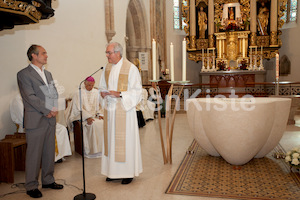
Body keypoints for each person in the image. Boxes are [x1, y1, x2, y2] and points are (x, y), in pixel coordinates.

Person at [17, 45, 63, 198]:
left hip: (49, 119)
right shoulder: (24, 74)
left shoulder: (48, 74)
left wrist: (54, 108)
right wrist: (47, 110)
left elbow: (53, 93)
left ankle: (48, 180)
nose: (46, 56)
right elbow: (30, 97)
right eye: (43, 53)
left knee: (49, 152)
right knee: (34, 154)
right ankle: (31, 186)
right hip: (36, 119)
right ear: (34, 55)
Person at [99, 42, 143, 184]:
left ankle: (127, 172)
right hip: (110, 110)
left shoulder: (130, 68)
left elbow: (137, 91)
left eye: (109, 53)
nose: (107, 55)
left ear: (118, 53)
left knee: (124, 142)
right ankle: (112, 172)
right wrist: (103, 94)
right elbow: (102, 87)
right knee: (111, 141)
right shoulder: (106, 68)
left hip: (124, 110)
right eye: (106, 53)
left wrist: (120, 94)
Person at [9, 93, 72, 162]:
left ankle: (58, 156)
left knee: (62, 128)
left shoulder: (33, 97)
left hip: (40, 122)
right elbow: (23, 118)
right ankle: (50, 158)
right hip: (28, 126)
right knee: (49, 130)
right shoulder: (18, 99)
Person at [66, 76, 103, 158]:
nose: (91, 87)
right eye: (89, 85)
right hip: (81, 117)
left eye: (92, 85)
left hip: (93, 116)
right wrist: (87, 117)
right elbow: (77, 108)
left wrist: (100, 114)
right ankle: (91, 150)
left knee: (102, 123)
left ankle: (101, 150)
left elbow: (99, 106)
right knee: (92, 124)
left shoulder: (96, 92)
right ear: (84, 83)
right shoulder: (78, 93)